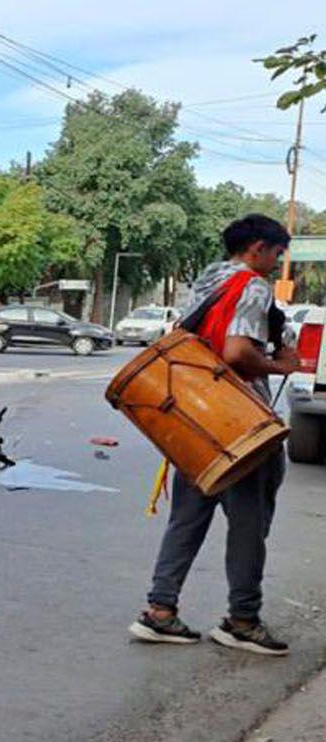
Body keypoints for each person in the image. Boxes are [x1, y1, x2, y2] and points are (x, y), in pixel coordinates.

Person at [128, 214, 302, 656]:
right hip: (238, 422)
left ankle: (159, 612)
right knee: (249, 524)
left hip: (193, 417)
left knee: (187, 518)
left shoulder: (208, 279)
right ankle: (242, 620)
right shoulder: (253, 285)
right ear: (258, 248)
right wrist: (281, 365)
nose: (277, 263)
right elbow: (237, 351)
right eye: (277, 254)